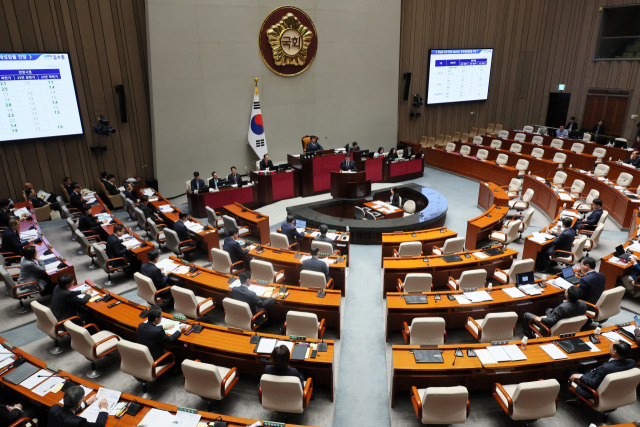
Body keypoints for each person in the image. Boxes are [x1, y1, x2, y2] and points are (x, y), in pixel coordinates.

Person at [568, 341, 635, 400]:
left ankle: (578, 398)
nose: (609, 346)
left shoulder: (605, 368)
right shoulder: (632, 362)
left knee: (568, 372)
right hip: (612, 387)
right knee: (582, 368)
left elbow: (593, 384)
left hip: (591, 390)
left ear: (614, 352)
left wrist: (579, 376)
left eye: (610, 346)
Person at [523, 286, 587, 337]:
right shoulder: (583, 304)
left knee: (526, 315)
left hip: (550, 328)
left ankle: (530, 335)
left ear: (567, 295)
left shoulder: (562, 308)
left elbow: (552, 321)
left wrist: (541, 319)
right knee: (549, 310)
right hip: (571, 327)